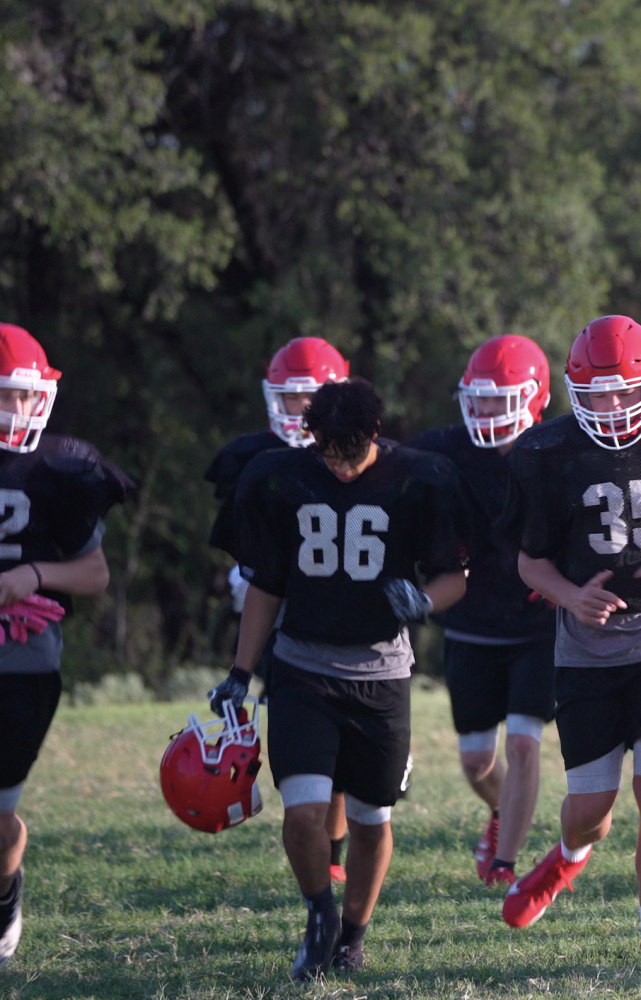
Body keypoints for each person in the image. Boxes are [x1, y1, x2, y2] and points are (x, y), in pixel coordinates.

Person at [215, 378, 468, 980]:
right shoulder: (282, 477)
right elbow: (266, 584)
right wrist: (239, 672)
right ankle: (319, 913)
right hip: (302, 668)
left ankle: (354, 935)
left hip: (382, 673)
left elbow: (454, 576)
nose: (341, 466)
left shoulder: (418, 478)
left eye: (351, 452)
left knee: (370, 819)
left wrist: (424, 601)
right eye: (328, 451)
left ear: (375, 435)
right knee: (303, 814)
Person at [497, 316, 641, 964]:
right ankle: (568, 856)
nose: (612, 408)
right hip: (585, 650)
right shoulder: (545, 453)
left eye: (625, 392)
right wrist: (572, 596)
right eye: (597, 394)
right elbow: (530, 562)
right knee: (591, 809)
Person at [0, 324, 130, 968]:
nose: (13, 410)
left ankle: (4, 889)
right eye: (2, 395)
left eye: (22, 395)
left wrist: (30, 575)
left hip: (23, 658)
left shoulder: (61, 468)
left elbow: (95, 573)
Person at [408, 335, 558, 887]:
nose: (489, 409)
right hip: (472, 625)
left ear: (534, 396)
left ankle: (507, 862)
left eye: (501, 398)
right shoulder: (444, 449)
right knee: (476, 762)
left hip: (538, 623)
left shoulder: (555, 448)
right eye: (481, 398)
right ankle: (501, 813)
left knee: (523, 741)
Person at [204, 337, 353, 882]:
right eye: (294, 399)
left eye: (315, 398)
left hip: (336, 609)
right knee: (303, 734)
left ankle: (333, 848)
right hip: (272, 608)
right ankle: (315, 832)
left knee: (341, 744)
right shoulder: (250, 459)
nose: (305, 411)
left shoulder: (361, 456)